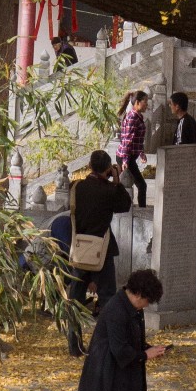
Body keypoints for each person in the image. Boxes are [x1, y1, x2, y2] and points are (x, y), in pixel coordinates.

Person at [65, 150, 133, 357]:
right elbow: (125, 205)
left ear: (89, 165)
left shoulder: (76, 187)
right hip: (102, 250)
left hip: (80, 249)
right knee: (107, 299)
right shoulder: (109, 191)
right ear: (107, 168)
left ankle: (74, 346)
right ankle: (103, 345)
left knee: (75, 298)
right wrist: (117, 180)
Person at [74, 268, 167, 391]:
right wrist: (146, 354)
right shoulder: (116, 309)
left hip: (126, 369)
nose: (146, 305)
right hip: (108, 370)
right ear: (138, 294)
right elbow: (120, 349)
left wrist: (151, 349)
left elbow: (134, 339)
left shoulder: (135, 307)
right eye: (147, 301)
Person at [119, 91, 150, 206]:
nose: (147, 105)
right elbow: (127, 140)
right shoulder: (133, 117)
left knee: (128, 185)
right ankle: (140, 210)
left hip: (129, 156)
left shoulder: (138, 116)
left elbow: (137, 139)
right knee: (141, 185)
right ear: (137, 102)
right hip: (126, 157)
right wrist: (126, 160)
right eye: (145, 102)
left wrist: (141, 153)